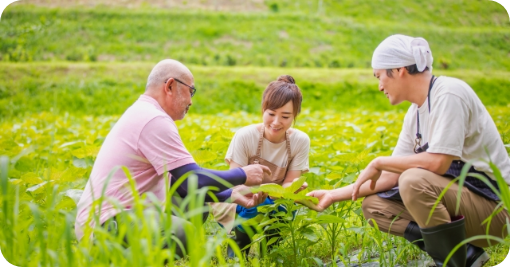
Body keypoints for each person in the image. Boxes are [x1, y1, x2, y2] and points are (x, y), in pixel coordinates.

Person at [306, 34, 510, 267]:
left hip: (496, 210)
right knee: (374, 206)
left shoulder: (450, 93)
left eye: (379, 76)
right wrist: (333, 195)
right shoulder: (415, 114)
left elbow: (439, 163)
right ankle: (467, 253)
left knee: (413, 180)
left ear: (400, 70)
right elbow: (391, 177)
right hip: (466, 201)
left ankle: (453, 262)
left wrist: (378, 162)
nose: (380, 85)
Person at [74, 59, 271, 257]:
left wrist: (231, 196)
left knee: (195, 205)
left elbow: (182, 184)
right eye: (191, 91)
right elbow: (193, 179)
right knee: (183, 233)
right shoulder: (154, 119)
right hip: (105, 225)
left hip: (117, 215)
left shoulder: (145, 112)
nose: (191, 101)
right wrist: (243, 174)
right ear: (170, 86)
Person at [211, 75, 310, 257]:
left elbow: (289, 182)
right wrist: (265, 191)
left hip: (273, 200)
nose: (276, 122)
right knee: (256, 207)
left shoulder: (300, 141)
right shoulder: (245, 136)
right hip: (240, 199)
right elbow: (234, 184)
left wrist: (293, 189)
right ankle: (237, 249)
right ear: (263, 110)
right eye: (271, 114)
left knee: (283, 207)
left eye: (285, 116)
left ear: (295, 115)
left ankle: (270, 253)